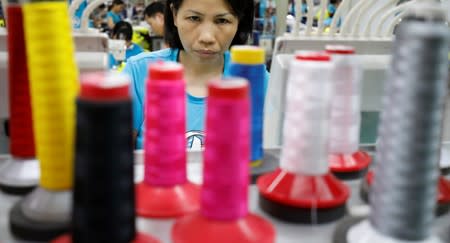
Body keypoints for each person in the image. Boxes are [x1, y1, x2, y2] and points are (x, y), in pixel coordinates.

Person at [123, 0, 269, 150]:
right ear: (174, 15)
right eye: (194, 18)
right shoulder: (139, 72)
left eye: (222, 20)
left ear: (239, 21)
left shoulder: (256, 81)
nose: (207, 37)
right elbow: (116, 158)